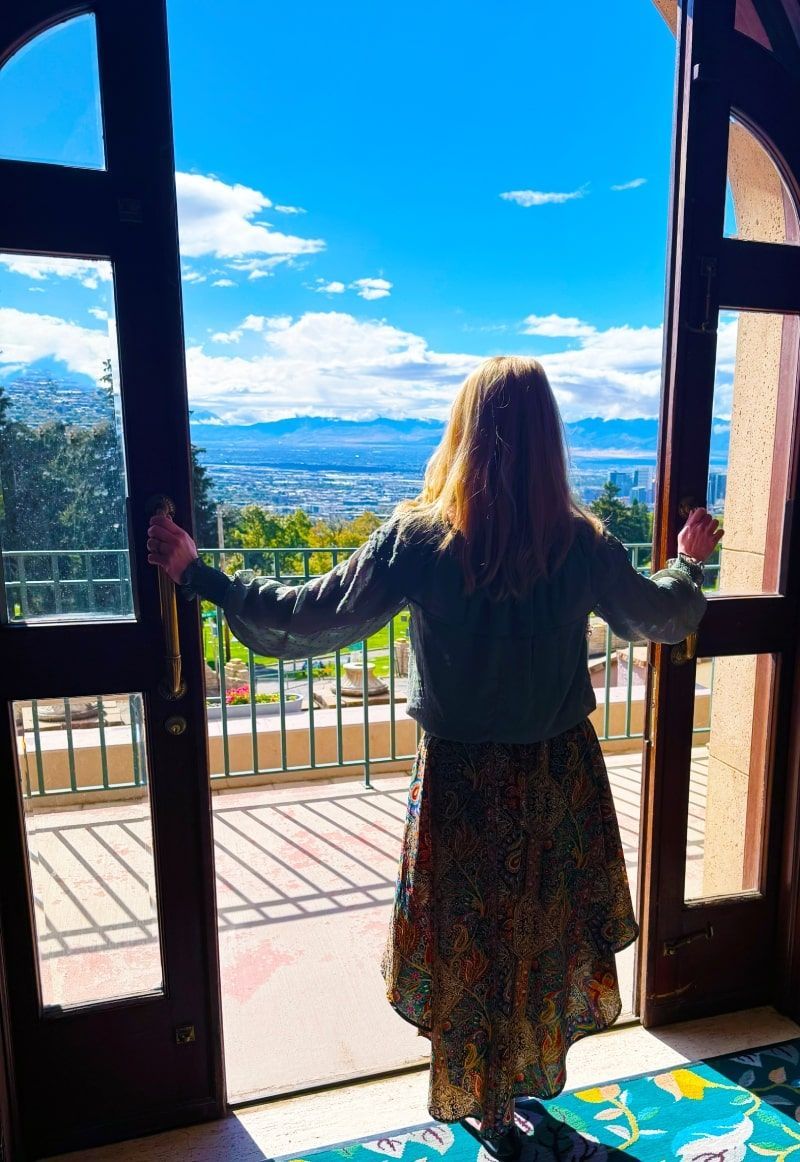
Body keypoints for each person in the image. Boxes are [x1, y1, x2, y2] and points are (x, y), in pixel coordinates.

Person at [148, 356, 721, 1160]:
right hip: (556, 782)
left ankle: (488, 1103)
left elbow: (307, 621)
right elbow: (658, 616)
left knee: (470, 940)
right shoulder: (579, 543)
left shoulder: (420, 541)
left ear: (465, 433)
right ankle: (515, 1089)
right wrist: (690, 560)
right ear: (551, 442)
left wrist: (198, 572)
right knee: (534, 936)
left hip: (460, 785)